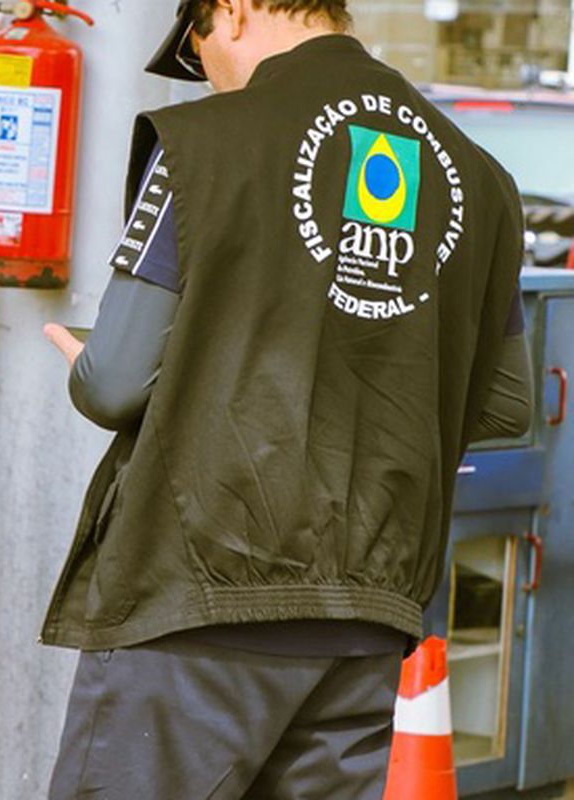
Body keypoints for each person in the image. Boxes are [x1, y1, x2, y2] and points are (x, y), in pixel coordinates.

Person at [39, 1, 533, 797]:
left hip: (199, 594)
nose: (207, 80)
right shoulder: (481, 179)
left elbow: (115, 381)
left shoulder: (204, 144)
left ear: (230, 11)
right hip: (370, 610)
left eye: (196, 53)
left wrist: (86, 363)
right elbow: (506, 405)